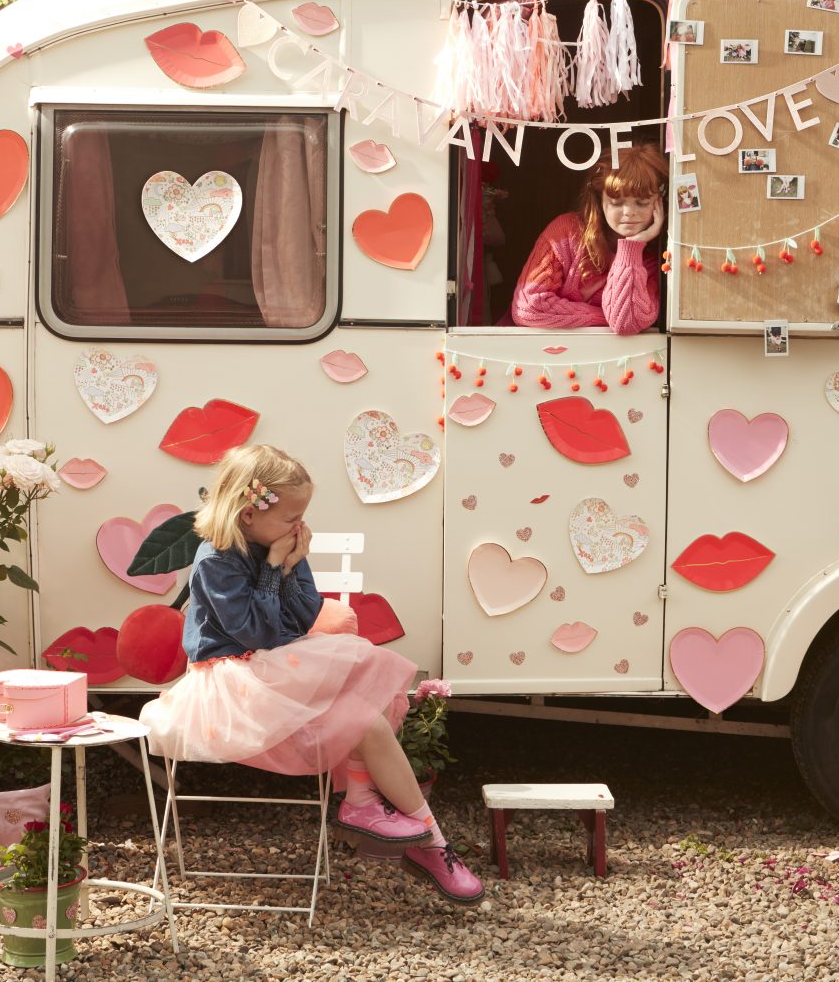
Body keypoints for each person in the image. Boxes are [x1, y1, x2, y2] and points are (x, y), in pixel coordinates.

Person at [140, 445, 483, 904]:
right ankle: (409, 832)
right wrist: (273, 569)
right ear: (248, 513)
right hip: (233, 688)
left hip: (279, 668)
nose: (299, 526)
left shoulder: (283, 545)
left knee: (370, 710)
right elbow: (258, 633)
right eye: (291, 517)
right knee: (365, 710)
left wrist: (289, 564)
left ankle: (400, 825)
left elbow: (304, 616)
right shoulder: (216, 561)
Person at [509, 143, 667, 334]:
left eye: (642, 203)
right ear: (600, 200)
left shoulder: (658, 256)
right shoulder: (565, 232)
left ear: (659, 201)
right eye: (616, 203)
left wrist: (632, 248)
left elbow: (627, 324)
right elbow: (529, 307)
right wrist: (605, 317)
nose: (629, 212)